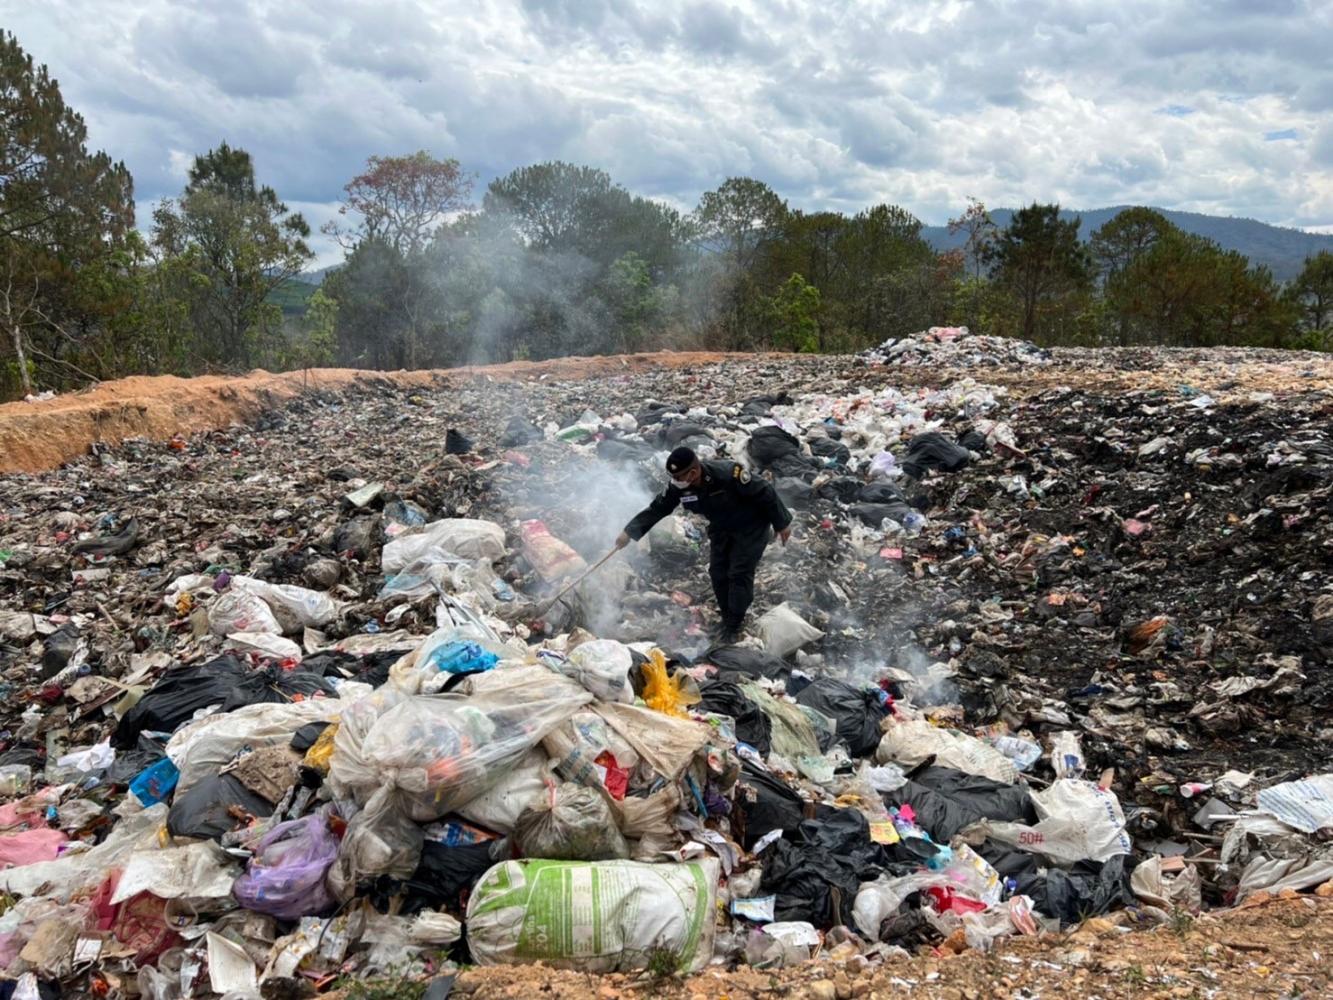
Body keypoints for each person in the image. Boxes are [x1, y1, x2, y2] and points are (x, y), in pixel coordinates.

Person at [616, 446, 792, 641]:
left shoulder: (728, 474)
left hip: (750, 526)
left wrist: (782, 523)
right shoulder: (679, 487)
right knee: (718, 572)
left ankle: (734, 625)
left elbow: (764, 491)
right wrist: (629, 532)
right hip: (722, 526)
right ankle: (727, 618)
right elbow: (659, 508)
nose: (675, 482)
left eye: (679, 477)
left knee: (739, 573)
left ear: (693, 472)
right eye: (673, 477)